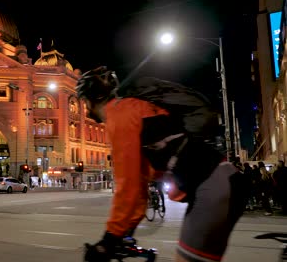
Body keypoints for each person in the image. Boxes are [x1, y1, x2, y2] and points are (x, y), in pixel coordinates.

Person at [77, 66, 247, 262]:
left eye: (84, 101)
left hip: (212, 187)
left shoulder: (120, 116)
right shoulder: (132, 108)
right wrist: (123, 232)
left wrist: (108, 241)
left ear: (91, 99)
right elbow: (139, 186)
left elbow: (128, 186)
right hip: (223, 181)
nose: (85, 107)